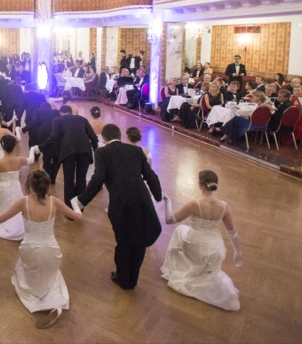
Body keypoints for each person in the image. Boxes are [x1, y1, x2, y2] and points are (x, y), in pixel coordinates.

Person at [0, 170, 83, 329]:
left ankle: (39, 300)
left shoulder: (23, 202)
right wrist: (76, 203)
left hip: (30, 249)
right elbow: (78, 217)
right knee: (51, 276)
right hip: (51, 250)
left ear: (29, 185)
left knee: (28, 276)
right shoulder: (55, 202)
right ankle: (54, 303)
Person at [75, 124, 162, 290]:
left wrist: (82, 201)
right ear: (120, 136)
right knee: (139, 240)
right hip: (142, 199)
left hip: (121, 202)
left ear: (104, 138)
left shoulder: (101, 152)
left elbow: (98, 178)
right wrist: (157, 195)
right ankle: (132, 279)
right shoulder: (136, 151)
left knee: (123, 241)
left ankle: (123, 278)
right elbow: (151, 176)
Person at [161, 170, 243, 311]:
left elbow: (169, 220)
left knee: (179, 230)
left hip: (196, 245)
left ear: (200, 184)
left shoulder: (194, 204)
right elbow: (233, 232)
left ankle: (174, 268)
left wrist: (167, 201)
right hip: (216, 250)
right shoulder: (224, 206)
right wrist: (238, 251)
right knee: (183, 231)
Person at [39, 105, 98, 207]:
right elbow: (93, 137)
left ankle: (69, 206)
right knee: (81, 178)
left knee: (68, 179)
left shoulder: (57, 120)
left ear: (61, 112)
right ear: (71, 112)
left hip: (68, 150)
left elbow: (54, 137)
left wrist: (41, 147)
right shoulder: (82, 119)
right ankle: (79, 205)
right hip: (85, 150)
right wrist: (95, 149)